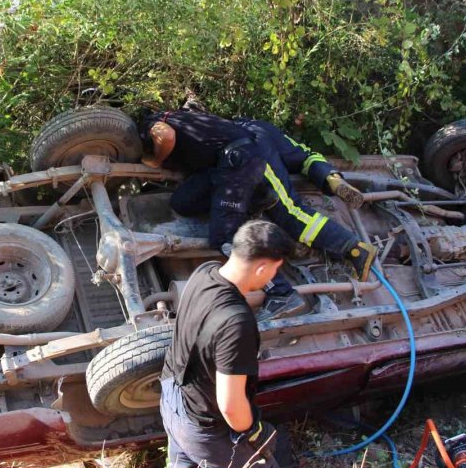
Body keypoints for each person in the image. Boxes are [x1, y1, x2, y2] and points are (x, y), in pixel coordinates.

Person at [139, 107, 376, 318]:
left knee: (240, 233)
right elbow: (302, 156)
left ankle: (285, 290)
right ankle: (261, 198)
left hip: (242, 163)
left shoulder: (161, 122)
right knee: (182, 201)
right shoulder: (210, 122)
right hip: (228, 166)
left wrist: (155, 159)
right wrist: (327, 176)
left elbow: (165, 136)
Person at [158, 220, 289, 468]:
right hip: (202, 424)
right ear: (261, 269)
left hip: (172, 397)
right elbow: (230, 405)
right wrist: (252, 434)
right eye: (274, 269)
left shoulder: (204, 272)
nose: (273, 276)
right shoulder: (236, 322)